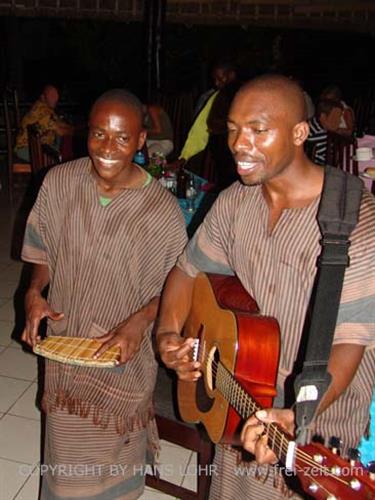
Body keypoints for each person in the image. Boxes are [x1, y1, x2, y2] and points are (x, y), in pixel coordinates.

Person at [156, 74, 375, 498]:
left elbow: (350, 342)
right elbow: (187, 271)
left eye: (258, 130)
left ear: (298, 133)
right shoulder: (236, 202)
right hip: (239, 400)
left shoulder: (356, 222)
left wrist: (295, 414)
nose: (239, 143)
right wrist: (168, 332)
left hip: (316, 431)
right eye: (234, 129)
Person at [21, 89, 187, 499]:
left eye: (122, 138)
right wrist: (35, 292)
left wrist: (137, 323)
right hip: (67, 346)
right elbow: (42, 248)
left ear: (141, 141)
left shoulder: (160, 210)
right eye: (98, 134)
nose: (108, 148)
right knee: (62, 456)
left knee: (110, 458)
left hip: (121, 357)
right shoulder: (59, 182)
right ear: (85, 134)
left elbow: (178, 287)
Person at [15, 84, 74, 162]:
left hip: (34, 146)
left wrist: (71, 128)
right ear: (43, 97)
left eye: (56, 95)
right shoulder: (42, 110)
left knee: (60, 146)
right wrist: (75, 130)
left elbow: (60, 123)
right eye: (51, 95)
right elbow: (61, 131)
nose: (55, 98)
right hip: (26, 149)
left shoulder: (47, 108)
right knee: (60, 155)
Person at [306, 98, 344, 165]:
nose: (340, 122)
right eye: (336, 117)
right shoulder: (320, 136)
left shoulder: (312, 123)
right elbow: (333, 162)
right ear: (323, 117)